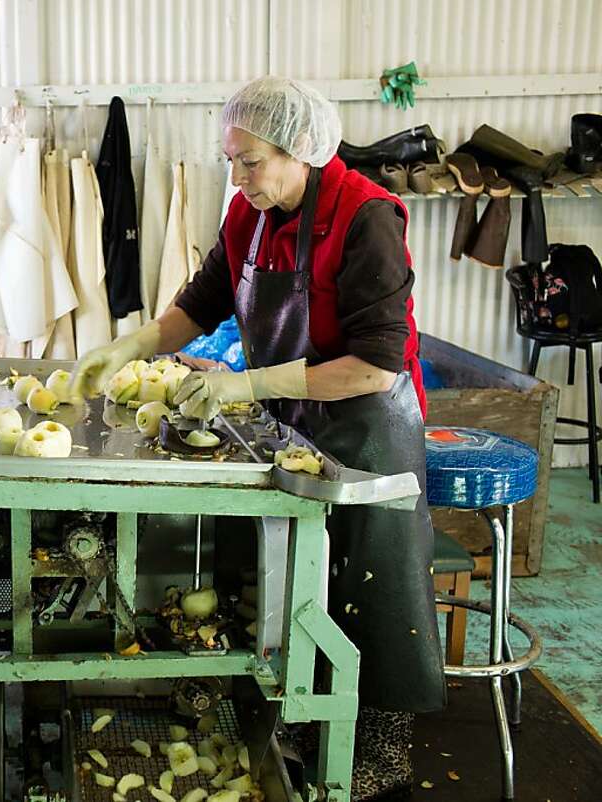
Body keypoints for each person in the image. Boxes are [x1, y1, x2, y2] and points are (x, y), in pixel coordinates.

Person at [71, 77, 444, 801]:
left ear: (301, 148)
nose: (237, 179)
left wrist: (245, 386)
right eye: (230, 162)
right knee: (301, 573)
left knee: (374, 583)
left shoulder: (365, 218)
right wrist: (131, 344)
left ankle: (380, 747)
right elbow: (201, 302)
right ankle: (305, 719)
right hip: (300, 419)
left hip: (369, 429)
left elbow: (374, 366)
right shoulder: (251, 211)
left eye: (249, 162)